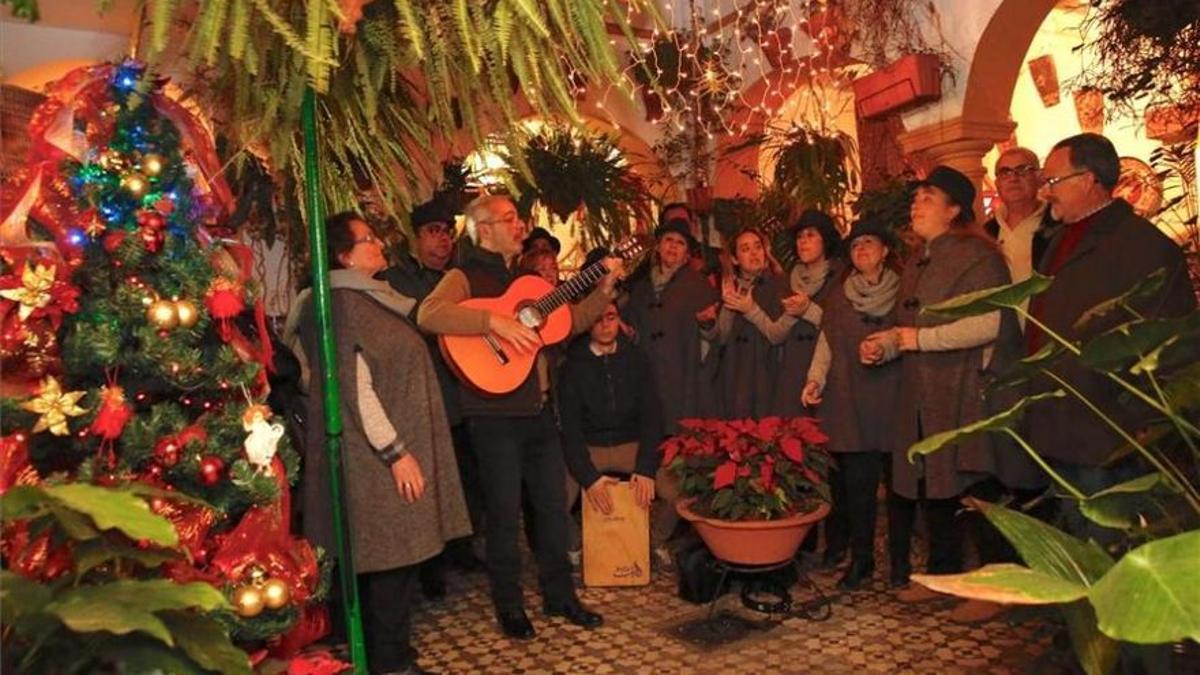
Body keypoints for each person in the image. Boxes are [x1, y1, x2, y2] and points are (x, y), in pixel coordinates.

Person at [417, 194, 621, 640]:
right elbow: (429, 314)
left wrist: (604, 287)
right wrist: (493, 323)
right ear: (484, 229)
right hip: (492, 416)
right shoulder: (463, 276)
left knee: (551, 509)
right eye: (509, 219)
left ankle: (560, 596)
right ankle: (509, 605)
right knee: (504, 516)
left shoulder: (526, 280)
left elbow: (568, 322)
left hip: (537, 411)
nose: (520, 226)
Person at [291, 212, 471, 674]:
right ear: (344, 256)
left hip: (384, 453)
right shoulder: (340, 306)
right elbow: (356, 390)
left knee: (391, 564)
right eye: (367, 239)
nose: (379, 244)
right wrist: (396, 454)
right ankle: (390, 663)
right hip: (373, 460)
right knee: (391, 564)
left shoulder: (368, 298)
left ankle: (387, 655)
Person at [1026, 133, 1196, 541]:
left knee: (1114, 545)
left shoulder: (1143, 246)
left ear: (1088, 180)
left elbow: (1169, 345)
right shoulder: (1058, 239)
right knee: (1077, 541)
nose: (1045, 193)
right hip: (1060, 420)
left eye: (1053, 181)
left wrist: (1142, 422)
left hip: (1108, 431)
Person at [861, 166, 1017, 600]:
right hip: (922, 393)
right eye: (915, 198)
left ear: (954, 210)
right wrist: (883, 346)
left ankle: (996, 588)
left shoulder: (979, 257)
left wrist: (918, 340)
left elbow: (990, 323)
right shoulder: (917, 261)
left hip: (964, 392)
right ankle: (943, 576)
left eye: (927, 198)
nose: (916, 205)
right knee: (934, 487)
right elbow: (907, 328)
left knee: (975, 486)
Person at [383, 200, 485, 600]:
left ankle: (463, 548)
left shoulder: (460, 278)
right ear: (414, 238)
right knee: (426, 484)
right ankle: (430, 565)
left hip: (461, 393)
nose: (442, 240)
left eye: (447, 232)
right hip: (419, 397)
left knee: (464, 476)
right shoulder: (393, 281)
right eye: (433, 232)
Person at [801, 218, 901, 591]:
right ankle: (862, 561)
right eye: (855, 245)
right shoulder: (839, 296)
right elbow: (825, 343)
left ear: (885, 251)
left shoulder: (903, 291)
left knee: (900, 491)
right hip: (849, 404)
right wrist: (814, 380)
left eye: (869, 243)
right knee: (856, 491)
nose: (861, 250)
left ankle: (901, 564)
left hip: (892, 400)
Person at [558, 302, 678, 568]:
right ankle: (575, 545)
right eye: (598, 319)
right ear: (587, 324)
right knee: (552, 498)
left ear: (619, 320)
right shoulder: (571, 367)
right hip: (590, 446)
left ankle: (653, 541)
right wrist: (589, 478)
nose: (605, 325)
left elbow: (652, 417)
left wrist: (646, 467)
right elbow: (570, 429)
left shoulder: (637, 360)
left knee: (679, 493)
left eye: (610, 317)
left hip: (630, 443)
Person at [624, 218, 720, 434]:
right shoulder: (640, 289)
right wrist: (632, 335)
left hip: (685, 380)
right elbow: (633, 330)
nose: (673, 247)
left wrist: (708, 326)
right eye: (669, 240)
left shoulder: (699, 286)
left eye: (680, 243)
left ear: (687, 254)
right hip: (649, 379)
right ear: (658, 246)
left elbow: (714, 338)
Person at [771, 210, 843, 418]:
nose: (803, 242)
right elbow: (776, 333)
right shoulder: (789, 279)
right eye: (800, 236)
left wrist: (808, 310)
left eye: (811, 235)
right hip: (792, 369)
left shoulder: (840, 276)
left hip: (826, 371)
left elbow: (841, 327)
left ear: (825, 240)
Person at [714, 226, 786, 419]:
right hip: (735, 374)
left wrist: (750, 309)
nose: (754, 253)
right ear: (735, 259)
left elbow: (779, 334)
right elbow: (720, 338)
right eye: (745, 249)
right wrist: (728, 304)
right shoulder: (728, 287)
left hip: (768, 373)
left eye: (757, 247)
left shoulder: (779, 285)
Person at [983, 147, 1059, 324]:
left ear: (1040, 178)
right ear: (997, 183)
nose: (1013, 178)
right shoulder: (986, 234)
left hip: (1048, 325)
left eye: (1023, 170)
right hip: (1001, 330)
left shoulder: (1058, 224)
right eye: (1005, 172)